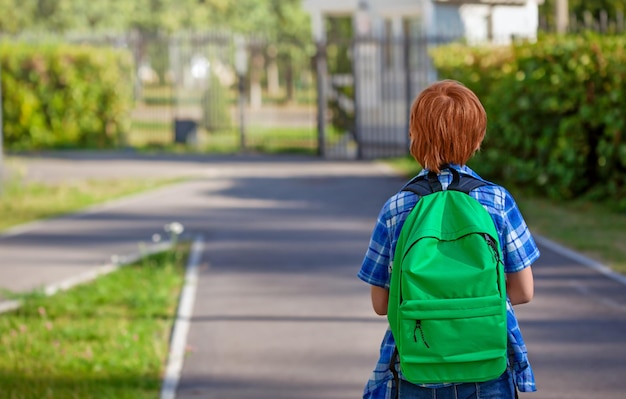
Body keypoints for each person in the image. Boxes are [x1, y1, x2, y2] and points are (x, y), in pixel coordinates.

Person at [358, 79, 539, 399]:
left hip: (416, 364)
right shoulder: (495, 201)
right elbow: (523, 291)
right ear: (477, 137)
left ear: (414, 135)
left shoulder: (397, 208)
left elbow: (380, 303)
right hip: (486, 362)